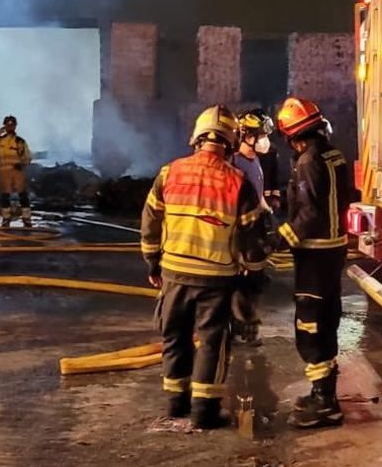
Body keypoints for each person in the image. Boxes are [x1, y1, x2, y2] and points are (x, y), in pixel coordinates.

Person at [140, 105, 269, 429]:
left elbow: (150, 220)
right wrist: (253, 273)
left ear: (197, 138)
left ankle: (176, 404)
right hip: (216, 278)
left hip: (174, 272)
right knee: (212, 341)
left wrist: (152, 262)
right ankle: (204, 412)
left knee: (175, 336)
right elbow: (252, 237)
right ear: (230, 141)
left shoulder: (170, 172)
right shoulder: (238, 181)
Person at [273, 96, 354, 429]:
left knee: (310, 324)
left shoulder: (308, 161)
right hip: (334, 251)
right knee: (327, 318)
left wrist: (278, 240)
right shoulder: (334, 155)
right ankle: (325, 393)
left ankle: (324, 402)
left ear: (293, 136)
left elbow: (309, 213)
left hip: (315, 254)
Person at [230, 109, 276, 345]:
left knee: (256, 279)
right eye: (261, 135)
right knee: (243, 281)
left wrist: (268, 211)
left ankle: (246, 324)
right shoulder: (235, 163)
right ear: (246, 135)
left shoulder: (255, 160)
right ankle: (241, 327)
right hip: (242, 232)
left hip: (255, 228)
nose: (265, 140)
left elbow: (257, 195)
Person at [0, 115, 32, 227]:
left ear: (15, 126)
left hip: (17, 172)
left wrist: (22, 164)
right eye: (7, 125)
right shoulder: (1, 140)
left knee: (23, 195)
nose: (10, 127)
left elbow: (27, 157)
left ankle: (26, 219)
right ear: (5, 126)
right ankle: (6, 219)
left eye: (12, 125)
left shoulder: (19, 141)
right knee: (5, 196)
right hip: (4, 173)